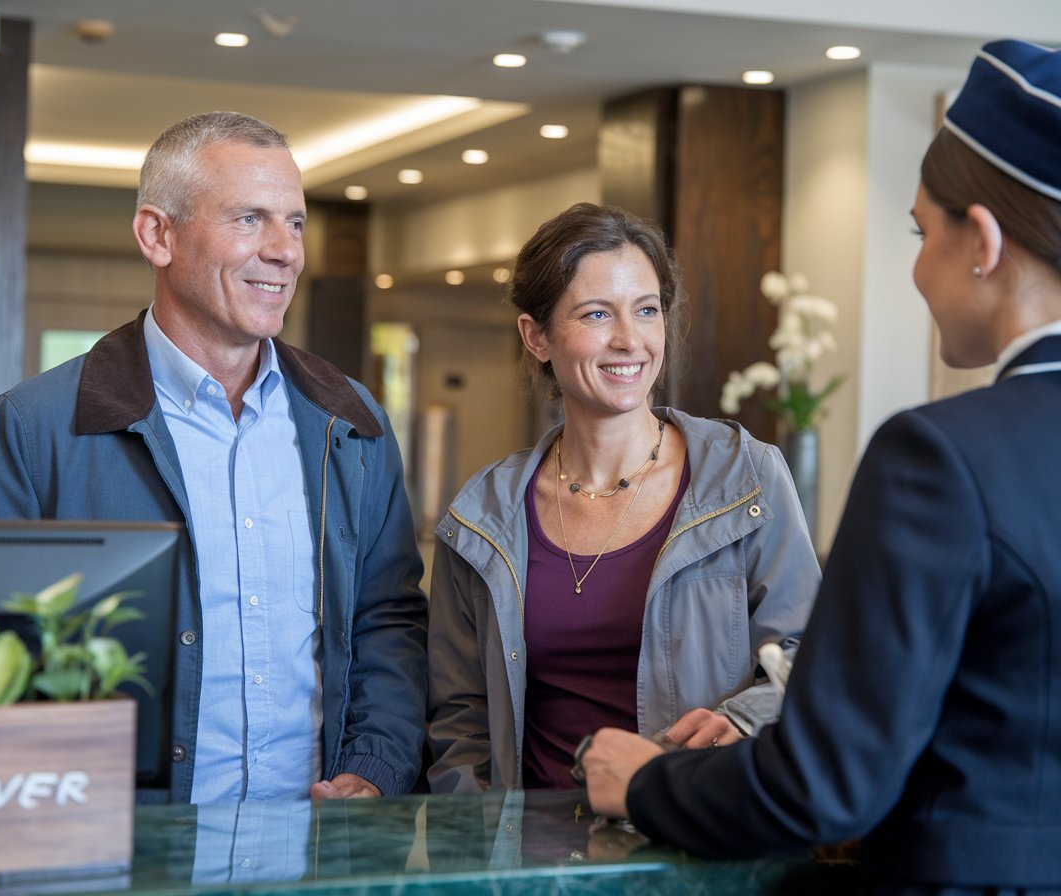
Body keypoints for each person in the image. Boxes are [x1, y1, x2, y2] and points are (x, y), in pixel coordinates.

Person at [580, 39, 1061, 894]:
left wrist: (646, 783)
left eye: (921, 230)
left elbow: (828, 783)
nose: (917, 265)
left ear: (981, 239)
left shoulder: (941, 457)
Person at [0, 111, 427, 804]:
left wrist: (374, 771)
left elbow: (388, 620)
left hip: (318, 854)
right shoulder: (33, 427)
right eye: (249, 219)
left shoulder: (350, 421)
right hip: (121, 857)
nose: (285, 250)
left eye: (294, 223)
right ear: (157, 235)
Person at [426, 202, 821, 793]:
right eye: (595, 314)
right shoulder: (482, 514)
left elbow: (810, 663)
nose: (629, 340)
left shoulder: (745, 478)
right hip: (534, 864)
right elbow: (461, 723)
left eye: (646, 310)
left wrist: (740, 719)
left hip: (693, 836)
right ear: (537, 337)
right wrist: (484, 859)